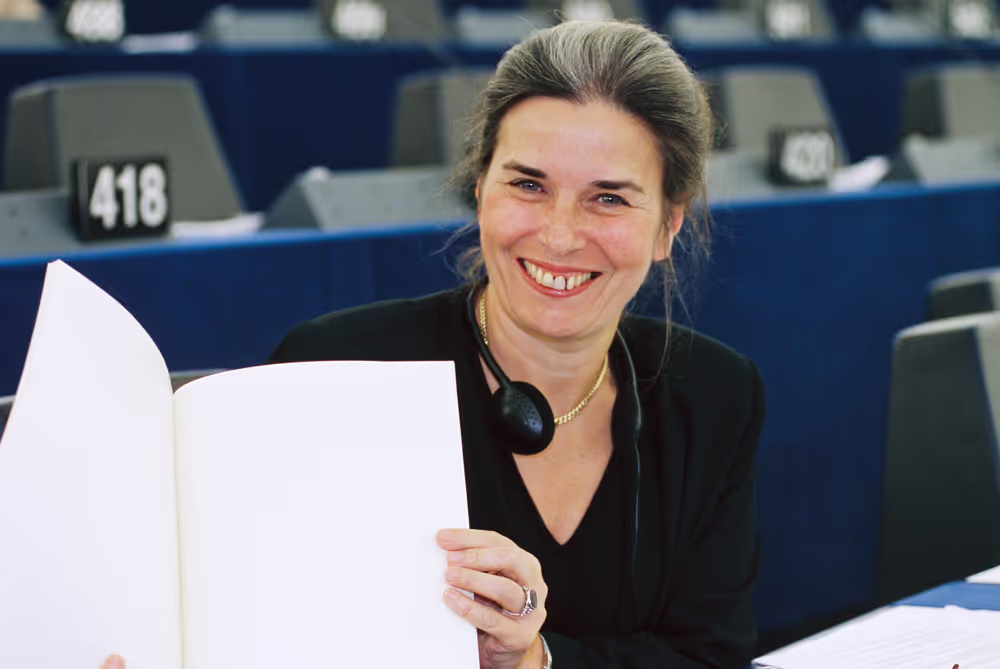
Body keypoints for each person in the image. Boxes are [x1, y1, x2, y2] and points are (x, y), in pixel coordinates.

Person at [104, 17, 764, 669]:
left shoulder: (714, 395)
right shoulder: (335, 368)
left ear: (668, 225)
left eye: (609, 199)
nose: (561, 235)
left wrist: (535, 661)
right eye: (528, 184)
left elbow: (709, 655)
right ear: (480, 187)